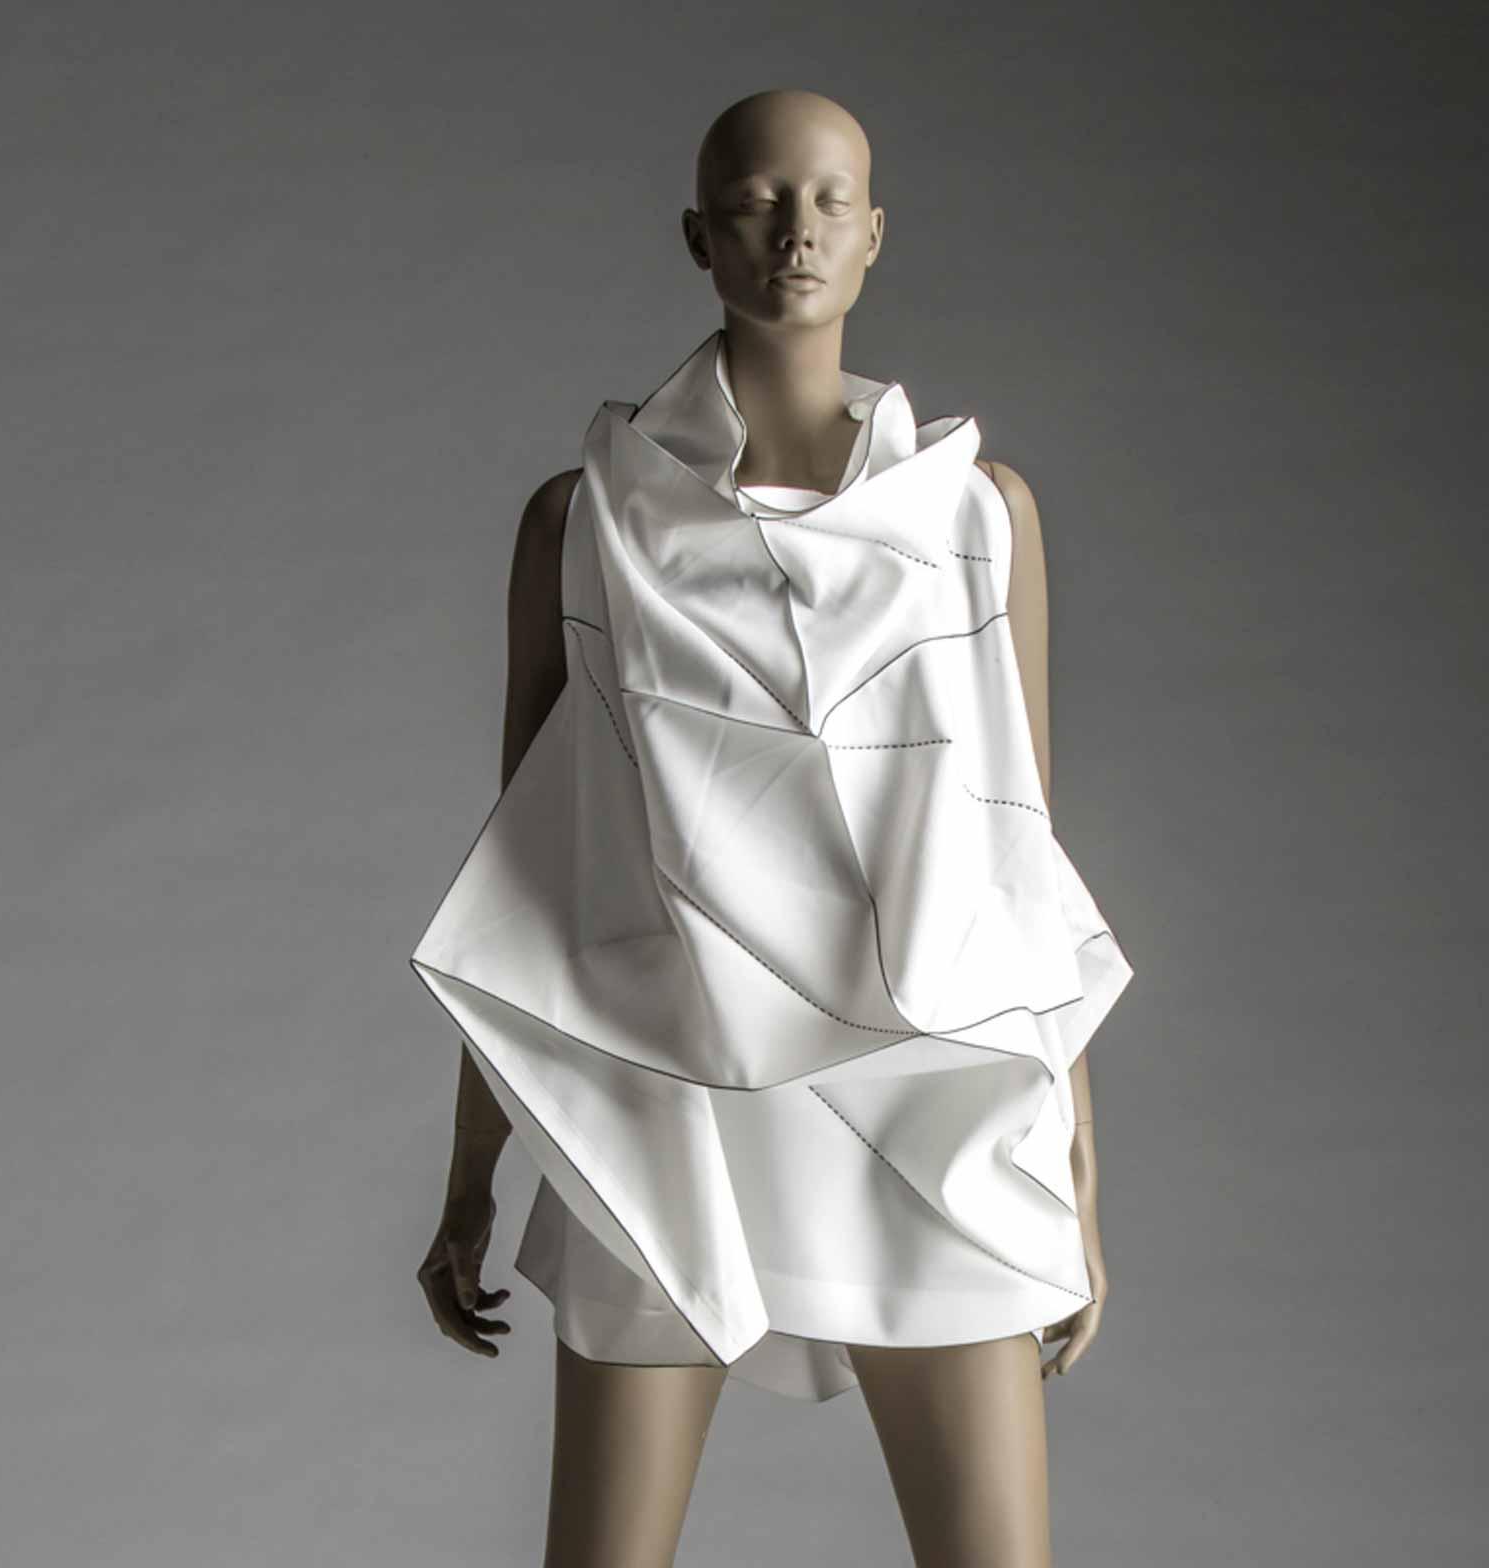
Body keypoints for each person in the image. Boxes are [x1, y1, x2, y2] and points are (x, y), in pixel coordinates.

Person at [413, 87, 1132, 1568]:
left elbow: (1021, 854)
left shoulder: (976, 516)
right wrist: (474, 1161)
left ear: (875, 234)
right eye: (755, 201)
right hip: (666, 1100)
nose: (794, 230)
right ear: (700, 236)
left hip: (927, 1094)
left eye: (827, 201)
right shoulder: (588, 521)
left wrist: (1072, 1156)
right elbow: (530, 874)